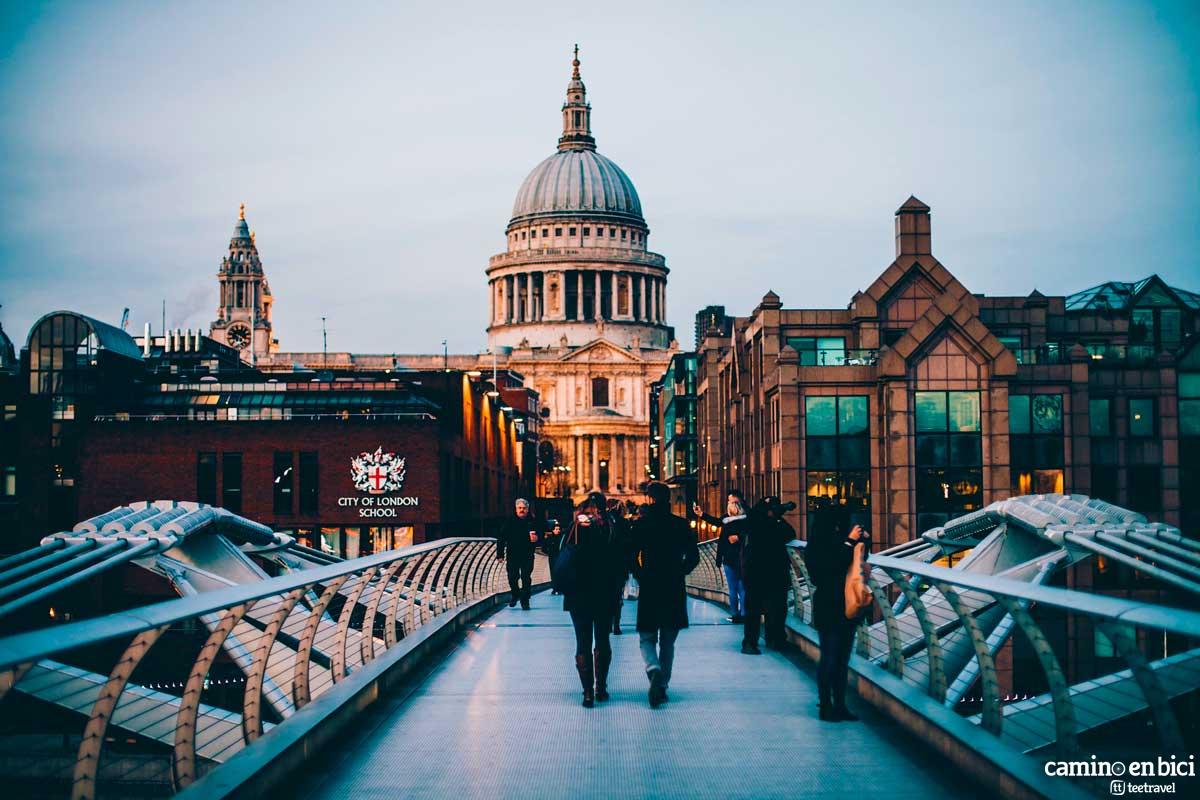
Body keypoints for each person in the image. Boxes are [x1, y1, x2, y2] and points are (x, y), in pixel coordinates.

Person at [631, 481, 700, 707]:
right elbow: (694, 557)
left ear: (650, 499)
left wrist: (641, 575)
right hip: (673, 586)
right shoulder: (680, 525)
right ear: (668, 499)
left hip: (650, 585)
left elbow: (630, 555)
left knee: (646, 637)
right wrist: (680, 571)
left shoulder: (641, 525)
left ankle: (654, 669)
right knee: (668, 641)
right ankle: (663, 685)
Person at [805, 506, 870, 721]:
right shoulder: (817, 545)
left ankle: (840, 705)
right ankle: (826, 706)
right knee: (830, 657)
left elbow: (856, 564)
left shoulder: (838, 541)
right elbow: (829, 568)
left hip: (846, 606)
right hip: (829, 605)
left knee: (842, 659)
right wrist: (849, 542)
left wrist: (863, 542)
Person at [561, 493, 625, 707]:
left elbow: (561, 554)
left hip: (578, 593)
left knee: (582, 642)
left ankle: (587, 692)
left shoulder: (574, 528)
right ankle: (601, 688)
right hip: (605, 592)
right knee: (603, 640)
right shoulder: (611, 528)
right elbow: (622, 559)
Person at [741, 496, 797, 654]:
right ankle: (771, 640)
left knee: (759, 608)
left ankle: (753, 642)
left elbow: (789, 534)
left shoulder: (755, 521)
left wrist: (775, 517)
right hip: (769, 572)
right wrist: (777, 519)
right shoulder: (762, 522)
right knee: (772, 607)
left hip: (759, 572)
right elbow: (789, 534)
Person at [692, 493, 750, 623]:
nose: (728, 503)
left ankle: (735, 615)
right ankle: (744, 614)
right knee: (742, 588)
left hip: (729, 558)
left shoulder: (727, 520)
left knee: (733, 588)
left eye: (730, 501)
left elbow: (717, 522)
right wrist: (701, 514)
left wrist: (701, 514)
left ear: (736, 502)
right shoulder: (747, 519)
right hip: (743, 558)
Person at [495, 498, 540, 610]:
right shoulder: (509, 521)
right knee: (512, 577)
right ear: (516, 509)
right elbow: (501, 538)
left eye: (524, 508)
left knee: (526, 578)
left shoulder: (533, 521)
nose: (522, 510)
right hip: (513, 554)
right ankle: (515, 594)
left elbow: (541, 535)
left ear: (527, 509)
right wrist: (500, 554)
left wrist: (537, 539)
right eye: (519, 508)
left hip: (527, 555)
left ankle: (525, 601)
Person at [606, 497, 632, 635]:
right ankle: (616, 625)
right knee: (617, 595)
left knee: (605, 596)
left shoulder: (602, 522)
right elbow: (629, 545)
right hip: (620, 565)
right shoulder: (624, 523)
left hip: (603, 566)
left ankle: (607, 624)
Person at [543, 519, 563, 595]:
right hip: (552, 558)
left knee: (560, 573)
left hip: (560, 558)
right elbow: (543, 548)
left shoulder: (562, 538)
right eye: (556, 529)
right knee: (553, 573)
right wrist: (549, 553)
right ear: (553, 530)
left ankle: (559, 588)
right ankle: (554, 588)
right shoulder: (549, 538)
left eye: (559, 529)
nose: (558, 531)